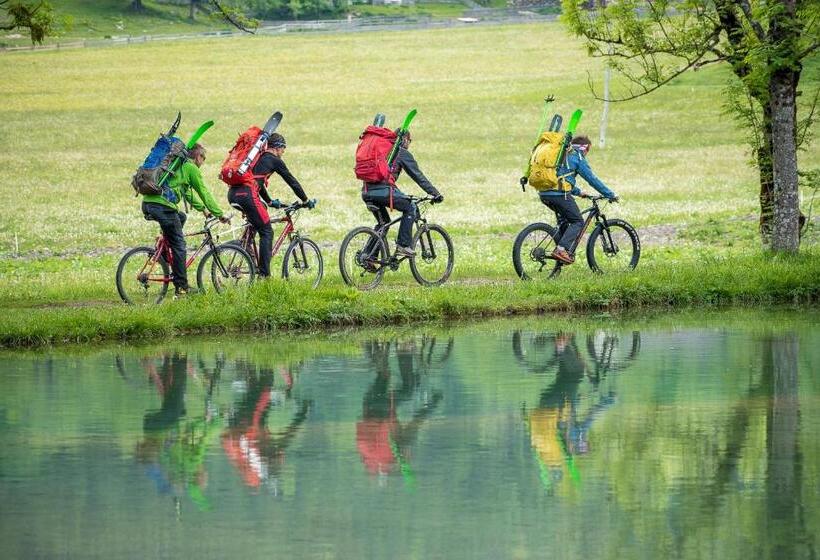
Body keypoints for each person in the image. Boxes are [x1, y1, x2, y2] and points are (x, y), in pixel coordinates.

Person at [141, 143, 227, 297]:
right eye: (203, 158)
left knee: (181, 217)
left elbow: (187, 193)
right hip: (163, 207)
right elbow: (203, 191)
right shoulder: (191, 168)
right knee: (180, 246)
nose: (203, 162)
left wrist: (204, 210)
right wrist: (219, 213)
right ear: (197, 156)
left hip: (148, 204)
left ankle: (165, 250)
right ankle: (182, 287)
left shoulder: (179, 167)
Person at [227, 133, 312, 278]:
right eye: (283, 150)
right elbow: (292, 181)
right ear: (278, 148)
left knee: (261, 211)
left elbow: (256, 181)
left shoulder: (256, 158)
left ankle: (246, 246)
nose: (282, 154)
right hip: (247, 195)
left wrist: (270, 201)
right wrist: (305, 200)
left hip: (233, 194)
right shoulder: (274, 160)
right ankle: (264, 275)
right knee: (267, 232)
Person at [537, 135, 618, 264]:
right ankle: (561, 250)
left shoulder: (561, 155)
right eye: (588, 151)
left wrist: (579, 192)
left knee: (565, 221)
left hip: (544, 193)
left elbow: (561, 179)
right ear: (584, 148)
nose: (586, 154)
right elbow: (592, 179)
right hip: (559, 195)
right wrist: (609, 194)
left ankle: (561, 257)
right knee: (577, 222)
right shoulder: (577, 156)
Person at [362, 131, 443, 257]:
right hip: (384, 192)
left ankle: (368, 256)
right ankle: (403, 245)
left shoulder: (382, 150)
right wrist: (435, 193)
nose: (409, 144)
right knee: (410, 207)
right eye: (409, 141)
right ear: (405, 140)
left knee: (383, 223)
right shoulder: (401, 153)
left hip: (367, 192)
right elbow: (418, 176)